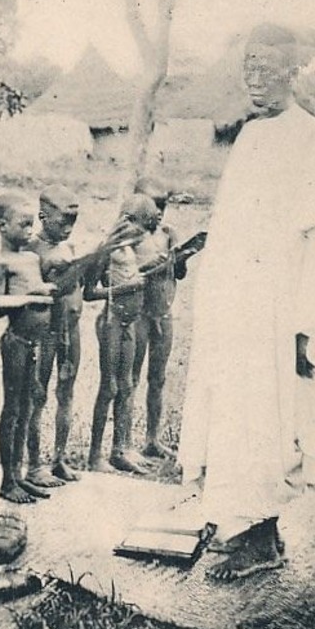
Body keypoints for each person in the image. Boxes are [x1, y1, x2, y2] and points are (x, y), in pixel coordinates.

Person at [177, 24, 315, 581]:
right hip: (236, 306)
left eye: (268, 65)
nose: (255, 76)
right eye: (248, 64)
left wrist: (308, 326)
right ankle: (237, 521)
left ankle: (260, 534)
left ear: (293, 69)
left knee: (270, 416)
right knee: (232, 412)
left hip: (280, 307)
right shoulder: (251, 136)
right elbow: (231, 228)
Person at [84, 194, 159, 475]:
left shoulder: (128, 249)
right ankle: (94, 455)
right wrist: (126, 289)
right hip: (112, 322)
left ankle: (120, 450)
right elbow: (90, 293)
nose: (144, 236)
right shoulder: (107, 250)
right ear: (127, 221)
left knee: (126, 386)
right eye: (142, 228)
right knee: (109, 387)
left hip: (129, 323)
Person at [0, 191, 57, 503]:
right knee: (13, 409)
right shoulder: (3, 263)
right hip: (15, 342)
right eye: (24, 225)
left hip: (35, 343)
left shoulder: (32, 258)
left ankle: (18, 475)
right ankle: (7, 481)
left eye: (33, 225)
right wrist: (30, 295)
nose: (30, 231)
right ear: (3, 226)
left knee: (29, 405)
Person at [26, 185, 82, 486]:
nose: (70, 228)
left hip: (71, 332)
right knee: (37, 396)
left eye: (75, 220)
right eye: (64, 220)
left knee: (66, 394)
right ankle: (34, 466)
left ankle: (58, 459)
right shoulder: (32, 251)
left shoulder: (68, 247)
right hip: (45, 334)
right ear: (43, 216)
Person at [130, 181, 182, 460]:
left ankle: (152, 438)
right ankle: (124, 442)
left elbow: (179, 273)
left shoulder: (167, 234)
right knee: (131, 377)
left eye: (163, 206)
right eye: (153, 207)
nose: (159, 213)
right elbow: (129, 272)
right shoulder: (133, 237)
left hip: (163, 313)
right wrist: (152, 265)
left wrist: (179, 255)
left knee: (158, 378)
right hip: (139, 314)